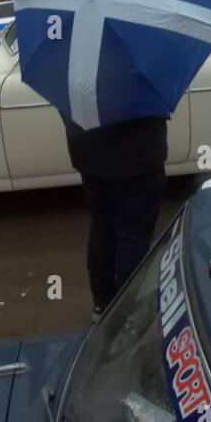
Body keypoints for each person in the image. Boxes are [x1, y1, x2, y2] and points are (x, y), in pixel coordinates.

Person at [61, 114, 169, 321]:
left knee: (102, 226)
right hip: (137, 157)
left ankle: (102, 304)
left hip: (89, 152)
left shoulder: (76, 82)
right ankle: (130, 310)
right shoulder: (136, 82)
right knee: (134, 235)